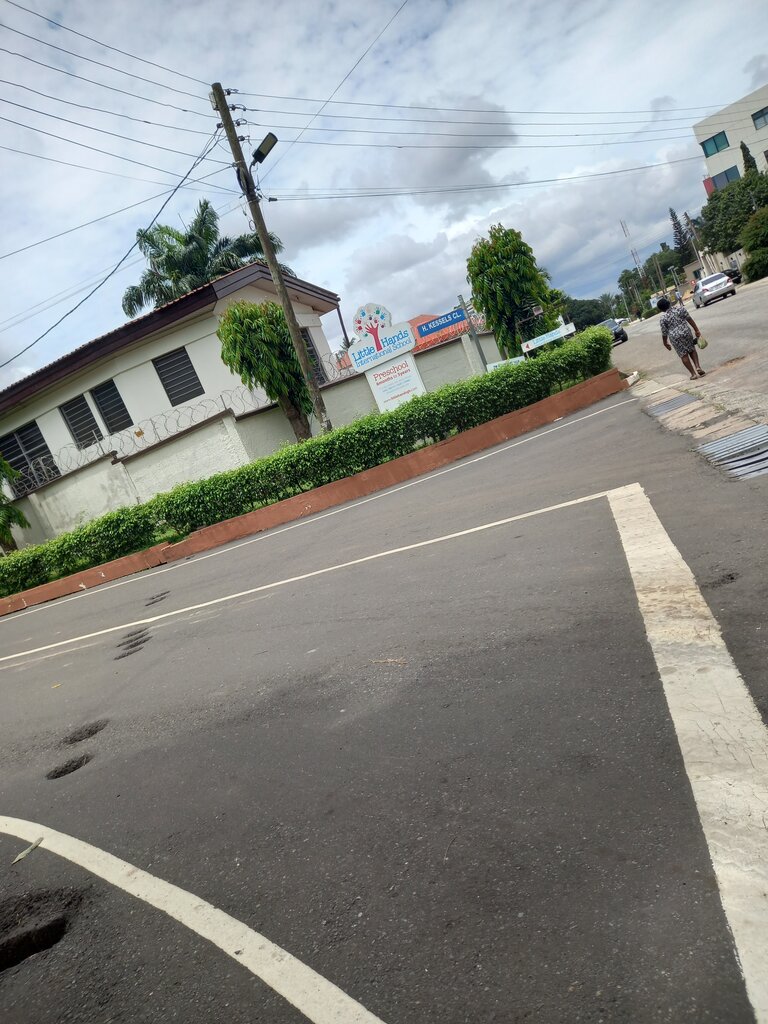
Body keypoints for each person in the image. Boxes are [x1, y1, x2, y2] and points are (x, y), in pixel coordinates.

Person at [657, 296, 705, 380]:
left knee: (683, 355)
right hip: (686, 332)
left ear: (661, 309)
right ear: (669, 303)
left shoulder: (663, 318)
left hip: (675, 337)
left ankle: (693, 374)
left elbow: (664, 332)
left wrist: (665, 343)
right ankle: (698, 367)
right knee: (692, 350)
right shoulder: (680, 309)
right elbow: (689, 319)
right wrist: (696, 330)